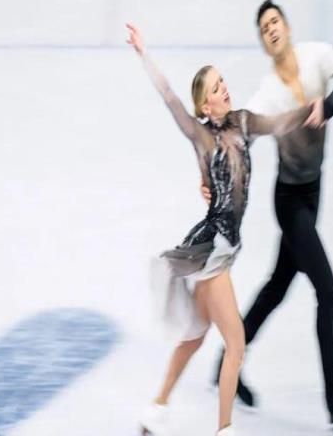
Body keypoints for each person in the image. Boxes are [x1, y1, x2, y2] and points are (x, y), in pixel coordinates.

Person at [126, 22, 314, 436]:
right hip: (214, 249)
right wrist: (143, 53)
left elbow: (277, 123)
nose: (224, 89)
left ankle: (155, 410)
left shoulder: (243, 122)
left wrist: (311, 110)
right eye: (215, 88)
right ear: (204, 105)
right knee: (236, 346)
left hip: (224, 244)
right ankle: (224, 429)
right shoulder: (203, 138)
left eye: (223, 81)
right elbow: (170, 98)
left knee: (195, 336)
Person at [206, 0, 333, 429]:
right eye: (264, 28)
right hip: (291, 201)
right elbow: (238, 139)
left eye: (275, 21)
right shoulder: (267, 96)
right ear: (264, 43)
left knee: (277, 286)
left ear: (288, 28)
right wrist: (213, 176)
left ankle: (226, 362)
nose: (271, 29)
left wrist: (328, 105)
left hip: (314, 193)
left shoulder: (316, 56)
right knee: (326, 290)